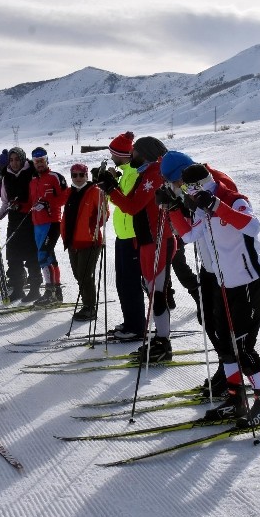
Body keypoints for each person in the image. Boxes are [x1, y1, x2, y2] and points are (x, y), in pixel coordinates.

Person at [159, 153, 260, 428]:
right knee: (224, 341)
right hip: (224, 283)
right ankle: (236, 399)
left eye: (187, 188)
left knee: (243, 347)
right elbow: (189, 236)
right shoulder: (200, 207)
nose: (185, 192)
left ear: (201, 184)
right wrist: (172, 208)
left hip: (248, 282)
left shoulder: (233, 199)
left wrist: (218, 206)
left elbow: (253, 227)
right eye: (181, 188)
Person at [99, 136, 173, 362]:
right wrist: (111, 187)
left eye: (136, 152)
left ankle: (163, 343)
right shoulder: (147, 172)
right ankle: (161, 340)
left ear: (145, 153)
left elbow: (131, 206)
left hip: (156, 239)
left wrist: (111, 188)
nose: (132, 155)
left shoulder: (154, 173)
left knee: (156, 292)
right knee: (153, 290)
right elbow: (129, 201)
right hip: (147, 239)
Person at [103, 131, 145, 340]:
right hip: (123, 235)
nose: (111, 157)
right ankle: (130, 322)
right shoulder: (124, 172)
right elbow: (117, 200)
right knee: (122, 282)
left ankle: (137, 327)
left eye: (114, 153)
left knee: (130, 283)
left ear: (122, 154)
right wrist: (111, 182)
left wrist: (111, 185)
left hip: (133, 236)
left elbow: (127, 204)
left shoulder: (133, 173)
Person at [60, 163, 108, 320]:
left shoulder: (95, 191)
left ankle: (90, 307)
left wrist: (98, 218)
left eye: (81, 175)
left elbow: (104, 215)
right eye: (75, 175)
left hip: (90, 240)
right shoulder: (69, 192)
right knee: (78, 274)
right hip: (72, 241)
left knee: (85, 275)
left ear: (86, 175)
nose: (78, 178)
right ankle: (87, 304)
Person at [0, 147, 41, 302]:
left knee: (31, 256)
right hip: (14, 220)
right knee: (13, 256)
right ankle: (18, 288)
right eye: (11, 160)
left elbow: (37, 198)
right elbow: (5, 202)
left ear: (22, 159)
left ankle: (35, 289)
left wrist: (22, 205)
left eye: (17, 159)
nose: (14, 163)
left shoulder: (32, 173)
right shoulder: (6, 176)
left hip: (30, 220)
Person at [28, 147, 68, 305]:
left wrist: (47, 203)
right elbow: (32, 202)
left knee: (43, 256)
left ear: (47, 160)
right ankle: (56, 293)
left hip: (52, 222)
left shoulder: (55, 177)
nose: (39, 164)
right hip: (37, 223)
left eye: (42, 161)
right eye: (36, 161)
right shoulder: (33, 181)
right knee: (48, 257)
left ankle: (50, 292)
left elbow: (66, 196)